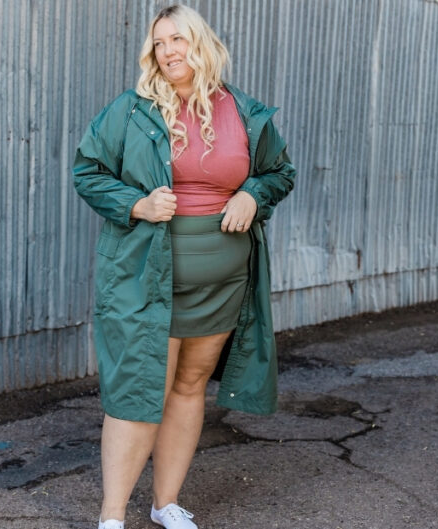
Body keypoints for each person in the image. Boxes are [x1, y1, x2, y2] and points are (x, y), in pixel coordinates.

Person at [72, 4, 295, 528]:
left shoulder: (243, 110)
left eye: (178, 39)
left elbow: (279, 172)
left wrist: (253, 194)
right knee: (139, 389)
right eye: (159, 43)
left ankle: (165, 503)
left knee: (190, 386)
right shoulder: (132, 110)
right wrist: (137, 204)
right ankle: (111, 516)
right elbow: (88, 171)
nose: (168, 51)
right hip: (148, 276)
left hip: (221, 282)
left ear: (202, 43)